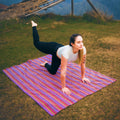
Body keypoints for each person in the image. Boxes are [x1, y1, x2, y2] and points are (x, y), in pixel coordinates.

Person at [31, 20, 90, 95]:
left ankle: (45, 64)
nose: (81, 44)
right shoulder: (66, 53)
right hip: (53, 48)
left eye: (82, 41)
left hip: (59, 54)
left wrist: (83, 77)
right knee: (37, 44)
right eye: (78, 42)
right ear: (72, 44)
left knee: (52, 72)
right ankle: (34, 26)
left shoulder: (83, 49)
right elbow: (63, 70)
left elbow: (82, 64)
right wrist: (63, 87)